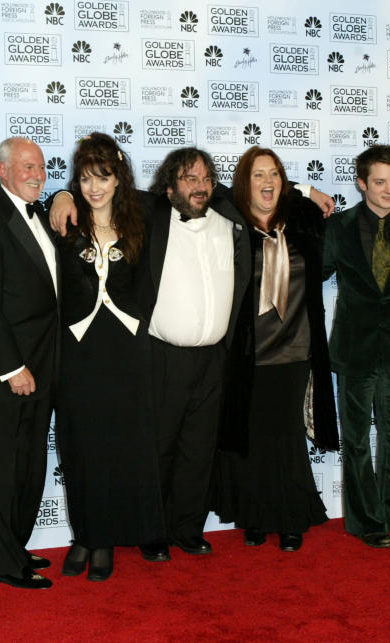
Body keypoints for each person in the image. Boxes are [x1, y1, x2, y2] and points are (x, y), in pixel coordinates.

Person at [49, 149, 333, 560]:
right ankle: (154, 531)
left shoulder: (226, 212)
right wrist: (64, 194)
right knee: (159, 447)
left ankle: (188, 528)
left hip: (217, 358)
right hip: (164, 354)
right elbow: (104, 193)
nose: (198, 186)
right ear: (169, 185)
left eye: (204, 179)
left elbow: (262, 188)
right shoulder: (152, 211)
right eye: (188, 179)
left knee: (199, 450)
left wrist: (304, 188)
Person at [53, 133, 166, 581]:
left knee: (121, 445)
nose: (93, 187)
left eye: (103, 176)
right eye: (84, 178)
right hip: (78, 350)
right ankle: (86, 534)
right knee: (81, 446)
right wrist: (60, 193)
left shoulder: (144, 217)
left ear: (119, 177)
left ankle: (108, 538)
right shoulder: (63, 221)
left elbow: (206, 191)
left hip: (126, 349)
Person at [214, 146, 338, 552]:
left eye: (275, 175)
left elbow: (313, 205)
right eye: (257, 176)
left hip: (297, 348)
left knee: (286, 435)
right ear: (243, 184)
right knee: (252, 435)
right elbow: (210, 192)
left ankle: (289, 518)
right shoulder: (231, 221)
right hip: (250, 351)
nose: (267, 183)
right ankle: (255, 516)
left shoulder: (301, 220)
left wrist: (305, 188)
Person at [0, 137, 56, 589]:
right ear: (2, 171)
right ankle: (3, 563)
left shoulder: (42, 215)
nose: (37, 174)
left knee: (29, 462)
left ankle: (16, 546)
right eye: (26, 167)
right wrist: (10, 366)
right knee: (0, 466)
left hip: (45, 364)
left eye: (40, 167)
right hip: (7, 370)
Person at [323, 144, 390, 549]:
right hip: (354, 349)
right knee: (358, 439)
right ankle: (366, 521)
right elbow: (311, 275)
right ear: (361, 183)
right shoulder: (338, 227)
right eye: (379, 182)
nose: (389, 190)